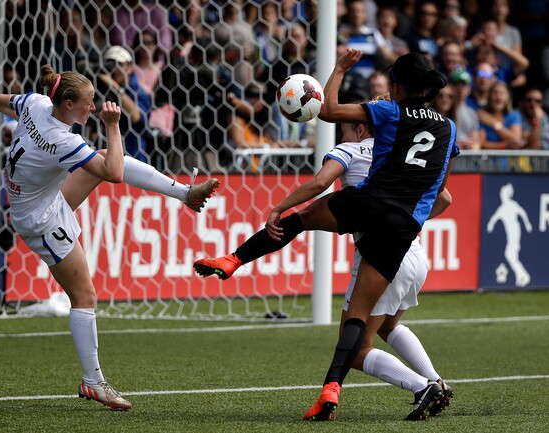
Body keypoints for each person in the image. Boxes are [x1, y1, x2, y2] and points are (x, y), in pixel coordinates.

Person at [194, 50, 457, 421]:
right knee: (381, 324)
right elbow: (442, 190)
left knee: (300, 222)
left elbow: (328, 116)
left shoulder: (380, 120)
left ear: (397, 86)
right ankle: (407, 383)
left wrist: (339, 69)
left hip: (370, 205)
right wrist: (411, 210)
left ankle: (235, 259)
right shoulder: (448, 129)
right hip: (405, 235)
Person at [0, 64, 219, 411]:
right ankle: (93, 382)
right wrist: (114, 126)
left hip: (37, 200)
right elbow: (114, 174)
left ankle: (185, 194)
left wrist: (19, 117)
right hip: (43, 219)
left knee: (99, 157)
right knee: (85, 296)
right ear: (67, 104)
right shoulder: (62, 140)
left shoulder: (36, 103)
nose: (94, 108)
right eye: (89, 102)